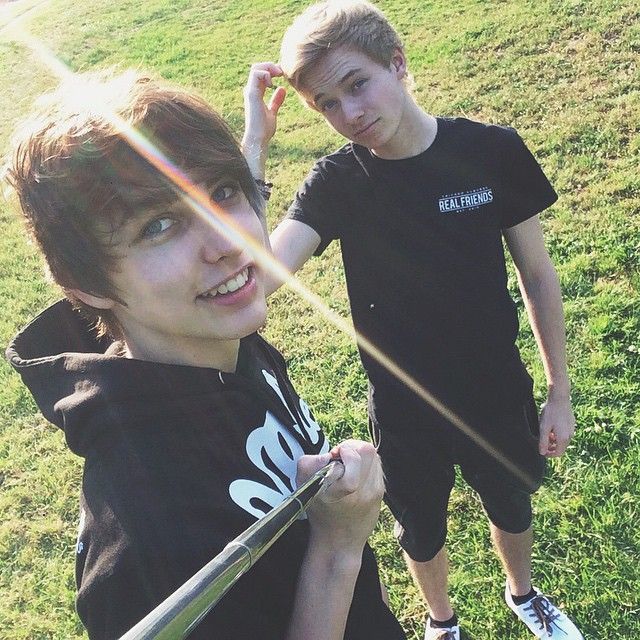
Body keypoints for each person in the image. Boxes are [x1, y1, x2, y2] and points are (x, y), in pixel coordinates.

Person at [4, 69, 407, 640]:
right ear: (84, 283)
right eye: (158, 226)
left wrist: (252, 143)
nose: (229, 243)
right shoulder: (141, 541)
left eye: (222, 192)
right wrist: (338, 549)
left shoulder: (223, 342)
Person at [242, 1, 583, 638]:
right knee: (419, 528)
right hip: (401, 406)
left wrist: (559, 390)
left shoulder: (490, 152)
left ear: (398, 64)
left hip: (496, 391)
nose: (349, 115)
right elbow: (256, 276)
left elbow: (537, 276)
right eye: (326, 104)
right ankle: (441, 620)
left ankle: (523, 594)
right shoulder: (338, 182)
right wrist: (255, 147)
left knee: (511, 505)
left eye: (356, 84)